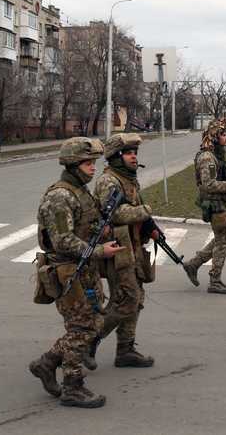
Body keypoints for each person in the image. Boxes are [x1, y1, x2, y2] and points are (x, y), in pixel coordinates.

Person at [28, 137, 125, 408]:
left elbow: (85, 226)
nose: (93, 168)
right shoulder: (61, 196)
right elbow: (63, 241)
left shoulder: (81, 191)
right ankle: (73, 386)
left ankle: (46, 363)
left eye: (93, 162)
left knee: (92, 324)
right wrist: (98, 251)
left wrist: (101, 231)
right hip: (68, 271)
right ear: (72, 165)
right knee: (81, 328)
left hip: (85, 270)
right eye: (86, 163)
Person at [84, 133, 159, 371]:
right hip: (116, 249)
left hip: (133, 246)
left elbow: (134, 208)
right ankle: (87, 342)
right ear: (117, 156)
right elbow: (115, 214)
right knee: (127, 300)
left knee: (136, 300)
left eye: (135, 153)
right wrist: (145, 211)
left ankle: (125, 349)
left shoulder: (129, 179)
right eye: (129, 153)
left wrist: (151, 227)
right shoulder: (109, 180)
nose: (134, 157)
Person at [182, 119, 226, 294]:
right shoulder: (208, 157)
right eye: (223, 134)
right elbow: (209, 184)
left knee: (222, 238)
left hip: (218, 202)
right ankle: (215, 280)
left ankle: (193, 264)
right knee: (223, 240)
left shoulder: (216, 155)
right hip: (214, 204)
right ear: (214, 136)